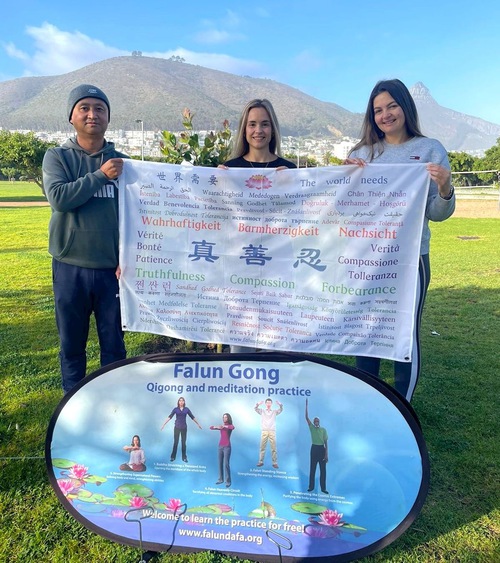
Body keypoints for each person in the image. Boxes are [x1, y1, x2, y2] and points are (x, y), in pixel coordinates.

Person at [344, 78, 455, 402]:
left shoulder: (430, 149)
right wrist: (345, 180)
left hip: (411, 259)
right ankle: (370, 404)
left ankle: (402, 409)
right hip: (367, 261)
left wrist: (445, 188)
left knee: (404, 335)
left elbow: (437, 213)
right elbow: (347, 212)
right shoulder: (361, 154)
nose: (386, 115)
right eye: (378, 110)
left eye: (392, 106)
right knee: (367, 332)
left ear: (405, 106)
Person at [42, 84, 127, 394]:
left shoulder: (124, 163)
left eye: (100, 108)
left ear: (108, 117)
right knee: (71, 344)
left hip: (111, 271)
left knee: (114, 346)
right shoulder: (57, 157)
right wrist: (101, 175)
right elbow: (59, 199)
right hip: (70, 266)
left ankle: (112, 402)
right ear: (72, 116)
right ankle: (72, 405)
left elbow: (139, 216)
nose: (93, 114)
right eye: (85, 108)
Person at [220, 98, 296, 353]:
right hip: (241, 269)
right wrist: (217, 186)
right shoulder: (229, 169)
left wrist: (290, 188)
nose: (258, 130)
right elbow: (218, 220)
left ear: (273, 129)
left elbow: (302, 219)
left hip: (278, 269)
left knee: (278, 349)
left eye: (265, 124)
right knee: (240, 351)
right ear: (244, 129)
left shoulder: (289, 170)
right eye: (252, 124)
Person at [161, 397, 202, 463]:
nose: (181, 402)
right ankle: (173, 457)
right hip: (177, 428)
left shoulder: (186, 409)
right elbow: (170, 416)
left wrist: (198, 424)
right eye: (180, 401)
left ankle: (184, 458)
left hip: (184, 428)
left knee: (183, 443)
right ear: (178, 402)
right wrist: (164, 424)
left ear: (184, 402)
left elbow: (192, 417)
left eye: (182, 401)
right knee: (175, 442)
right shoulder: (175, 409)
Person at [305, 399, 328, 494]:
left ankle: (323, 488)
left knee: (323, 470)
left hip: (322, 449)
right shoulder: (312, 428)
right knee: (312, 469)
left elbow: (326, 442)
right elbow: (306, 417)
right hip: (314, 448)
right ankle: (311, 487)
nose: (316, 422)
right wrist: (306, 406)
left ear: (319, 422)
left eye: (317, 421)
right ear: (314, 422)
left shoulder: (323, 430)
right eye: (315, 421)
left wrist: (326, 454)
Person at [254, 398, 283, 468]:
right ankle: (260, 462)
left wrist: (280, 405)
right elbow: (255, 409)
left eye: (270, 403)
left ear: (271, 404)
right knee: (262, 447)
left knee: (273, 448)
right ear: (265, 404)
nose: (268, 404)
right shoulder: (262, 411)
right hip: (264, 431)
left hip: (272, 431)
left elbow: (281, 410)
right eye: (267, 403)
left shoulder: (274, 412)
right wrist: (258, 404)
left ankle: (274, 463)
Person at [210, 413, 235, 488]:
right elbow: (211, 427)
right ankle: (220, 479)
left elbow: (232, 427)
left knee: (226, 464)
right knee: (220, 463)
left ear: (228, 418)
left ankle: (228, 481)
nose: (224, 419)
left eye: (226, 417)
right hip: (220, 446)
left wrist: (223, 426)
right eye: (223, 417)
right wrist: (217, 427)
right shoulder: (221, 427)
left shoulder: (229, 426)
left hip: (227, 447)